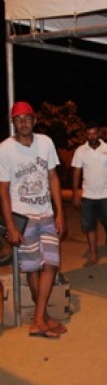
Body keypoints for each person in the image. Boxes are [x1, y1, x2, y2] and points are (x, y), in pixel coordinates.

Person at [0, 101, 66, 339]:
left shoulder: (45, 143)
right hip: (23, 218)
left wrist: (60, 213)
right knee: (33, 268)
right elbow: (3, 190)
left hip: (46, 214)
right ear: (13, 123)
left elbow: (53, 178)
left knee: (51, 264)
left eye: (27, 118)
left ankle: (38, 320)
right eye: (18, 119)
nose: (23, 122)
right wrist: (10, 226)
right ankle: (42, 318)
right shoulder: (5, 149)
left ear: (34, 120)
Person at [71, 120, 107, 267]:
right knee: (89, 226)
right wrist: (75, 193)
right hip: (88, 196)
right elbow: (76, 173)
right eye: (89, 134)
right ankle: (94, 254)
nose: (92, 136)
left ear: (99, 133)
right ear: (86, 135)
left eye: (94, 133)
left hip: (106, 195)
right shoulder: (80, 151)